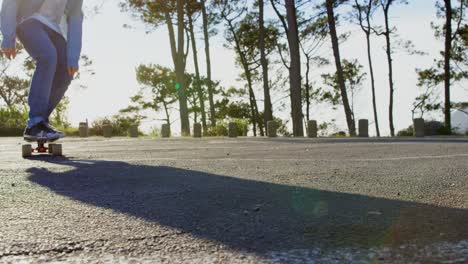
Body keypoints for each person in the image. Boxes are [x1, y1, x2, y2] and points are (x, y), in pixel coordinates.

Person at [0, 0, 83, 141]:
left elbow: (75, 20)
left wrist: (73, 57)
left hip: (54, 28)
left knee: (65, 72)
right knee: (48, 56)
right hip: (29, 21)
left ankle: (40, 123)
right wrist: (8, 36)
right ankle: (35, 121)